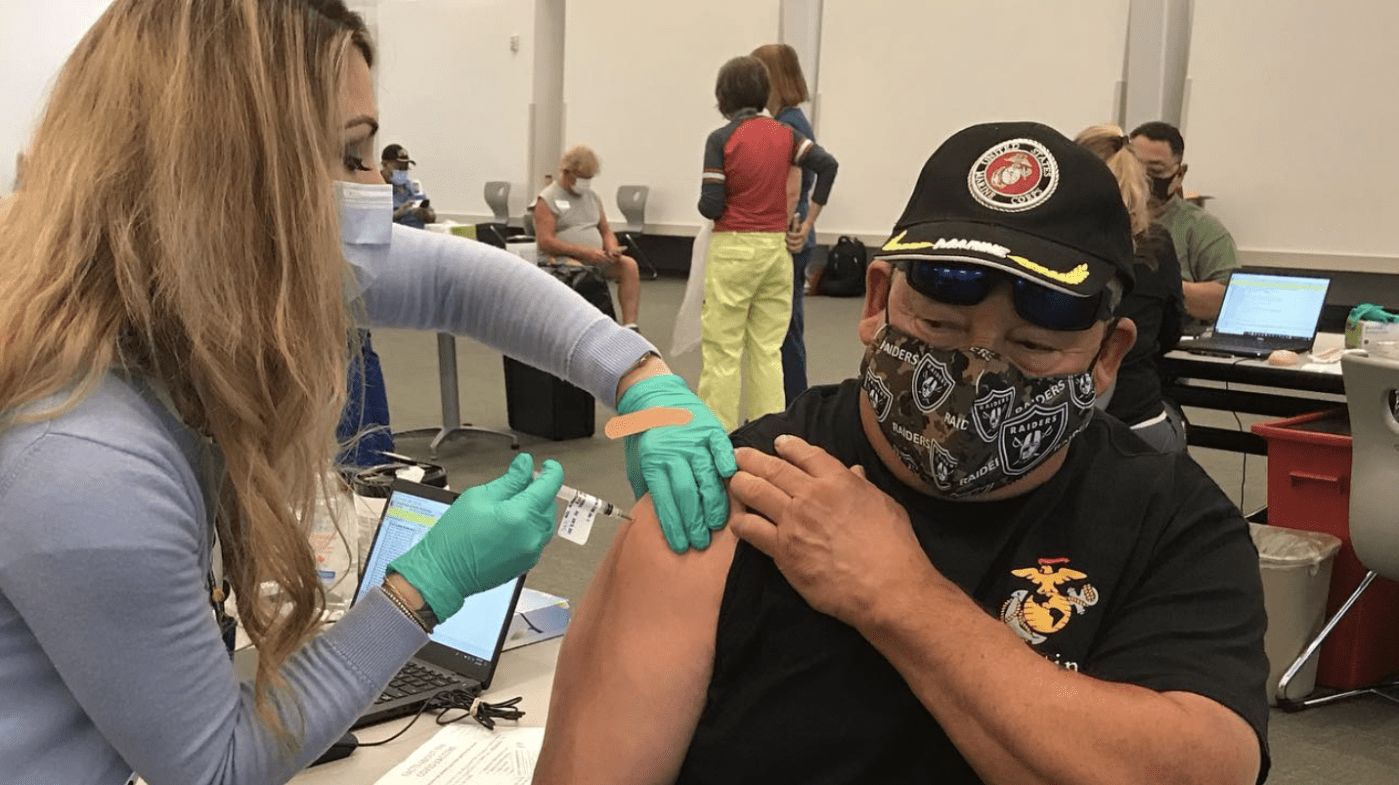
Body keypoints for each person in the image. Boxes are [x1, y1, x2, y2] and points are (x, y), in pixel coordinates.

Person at [0, 2, 735, 782]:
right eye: (353, 155)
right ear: (231, 175)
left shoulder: (129, 293)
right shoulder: (82, 457)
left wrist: (638, 377)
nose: (377, 188)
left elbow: (459, 286)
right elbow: (216, 766)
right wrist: (426, 586)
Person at [536, 122, 1269, 785]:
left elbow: (1202, 769)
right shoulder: (738, 491)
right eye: (940, 325)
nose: (977, 370)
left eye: (1032, 346)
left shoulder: (1169, 520)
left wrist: (900, 598)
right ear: (875, 299)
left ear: (1106, 355)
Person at [697, 55, 837, 432]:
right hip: (776, 250)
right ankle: (768, 432)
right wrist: (808, 221)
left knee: (723, 350)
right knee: (766, 349)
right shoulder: (787, 135)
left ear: (723, 95)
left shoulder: (721, 139)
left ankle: (717, 434)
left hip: (734, 251)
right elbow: (828, 165)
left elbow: (711, 205)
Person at [1075, 124, 1187, 452]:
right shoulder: (1156, 244)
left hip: (1057, 425)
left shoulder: (1050, 245)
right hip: (1137, 422)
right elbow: (1169, 334)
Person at [751, 43, 823, 407]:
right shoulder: (789, 121)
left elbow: (792, 186)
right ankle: (786, 405)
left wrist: (802, 221)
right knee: (782, 326)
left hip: (786, 236)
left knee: (782, 329)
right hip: (792, 232)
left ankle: (792, 407)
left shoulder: (789, 124)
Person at [1129, 121, 1239, 325]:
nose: (1142, 178)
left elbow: (1230, 297)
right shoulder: (1106, 216)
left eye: (1155, 170)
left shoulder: (1203, 228)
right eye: (1134, 167)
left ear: (1179, 174)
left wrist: (1158, 285)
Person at [533, 145, 641, 328]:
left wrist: (611, 247)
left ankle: (630, 326)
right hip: (560, 260)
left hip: (594, 257)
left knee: (629, 266)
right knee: (583, 273)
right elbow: (545, 242)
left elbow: (605, 230)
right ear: (567, 173)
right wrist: (584, 252)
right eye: (582, 178)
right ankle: (593, 327)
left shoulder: (592, 197)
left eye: (589, 179)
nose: (586, 182)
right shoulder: (547, 199)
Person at [380, 143, 436, 228]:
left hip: (417, 234)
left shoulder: (409, 185)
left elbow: (432, 216)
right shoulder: (375, 187)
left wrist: (426, 214)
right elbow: (373, 221)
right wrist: (396, 214)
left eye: (405, 169)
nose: (402, 173)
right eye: (398, 169)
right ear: (384, 164)